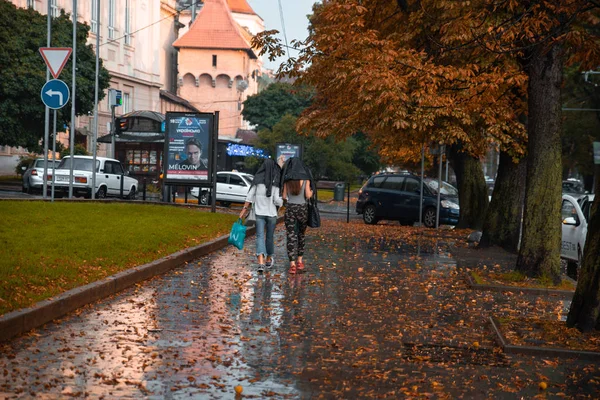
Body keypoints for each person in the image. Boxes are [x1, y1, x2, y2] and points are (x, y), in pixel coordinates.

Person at [239, 159, 283, 273]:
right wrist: (282, 201)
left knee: (259, 236)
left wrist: (244, 209)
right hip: (272, 214)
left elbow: (250, 196)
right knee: (269, 237)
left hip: (259, 213)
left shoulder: (257, 180)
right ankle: (268, 259)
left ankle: (260, 262)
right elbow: (277, 201)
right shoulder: (275, 181)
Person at [281, 158, 314, 274]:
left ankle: (292, 264)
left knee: (290, 235)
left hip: (290, 209)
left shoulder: (287, 180)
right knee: (301, 234)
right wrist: (312, 192)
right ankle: (300, 261)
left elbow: (284, 196)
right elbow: (308, 195)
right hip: (302, 209)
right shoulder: (305, 179)